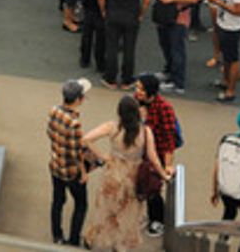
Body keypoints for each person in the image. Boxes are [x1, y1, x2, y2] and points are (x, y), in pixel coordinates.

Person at [82, 95, 166, 252]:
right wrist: (164, 175)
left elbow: (86, 139)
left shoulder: (112, 127)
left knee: (106, 209)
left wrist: (103, 156)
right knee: (129, 213)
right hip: (133, 177)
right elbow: (153, 158)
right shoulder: (145, 132)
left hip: (113, 173)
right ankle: (121, 246)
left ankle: (92, 238)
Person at [147, 0, 200, 95]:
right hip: (163, 14)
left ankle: (178, 82)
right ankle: (169, 70)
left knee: (177, 49)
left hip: (179, 18)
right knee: (165, 44)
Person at [134, 74, 179, 237]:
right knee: (140, 184)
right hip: (139, 151)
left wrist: (167, 165)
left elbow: (169, 140)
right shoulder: (136, 102)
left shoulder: (164, 108)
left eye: (140, 88)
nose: (136, 91)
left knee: (153, 189)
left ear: (150, 92)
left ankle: (158, 220)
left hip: (157, 153)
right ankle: (149, 216)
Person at [48, 78, 91, 247]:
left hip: (55, 164)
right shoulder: (74, 123)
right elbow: (76, 153)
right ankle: (74, 239)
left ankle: (57, 235)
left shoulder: (54, 111)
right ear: (79, 99)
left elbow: (50, 133)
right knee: (81, 204)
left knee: (58, 201)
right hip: (71, 171)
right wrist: (84, 172)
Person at [99, 0, 148, 89]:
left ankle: (110, 79)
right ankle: (127, 80)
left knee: (112, 47)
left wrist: (103, 10)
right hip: (131, 16)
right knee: (129, 48)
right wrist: (141, 14)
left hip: (113, 15)